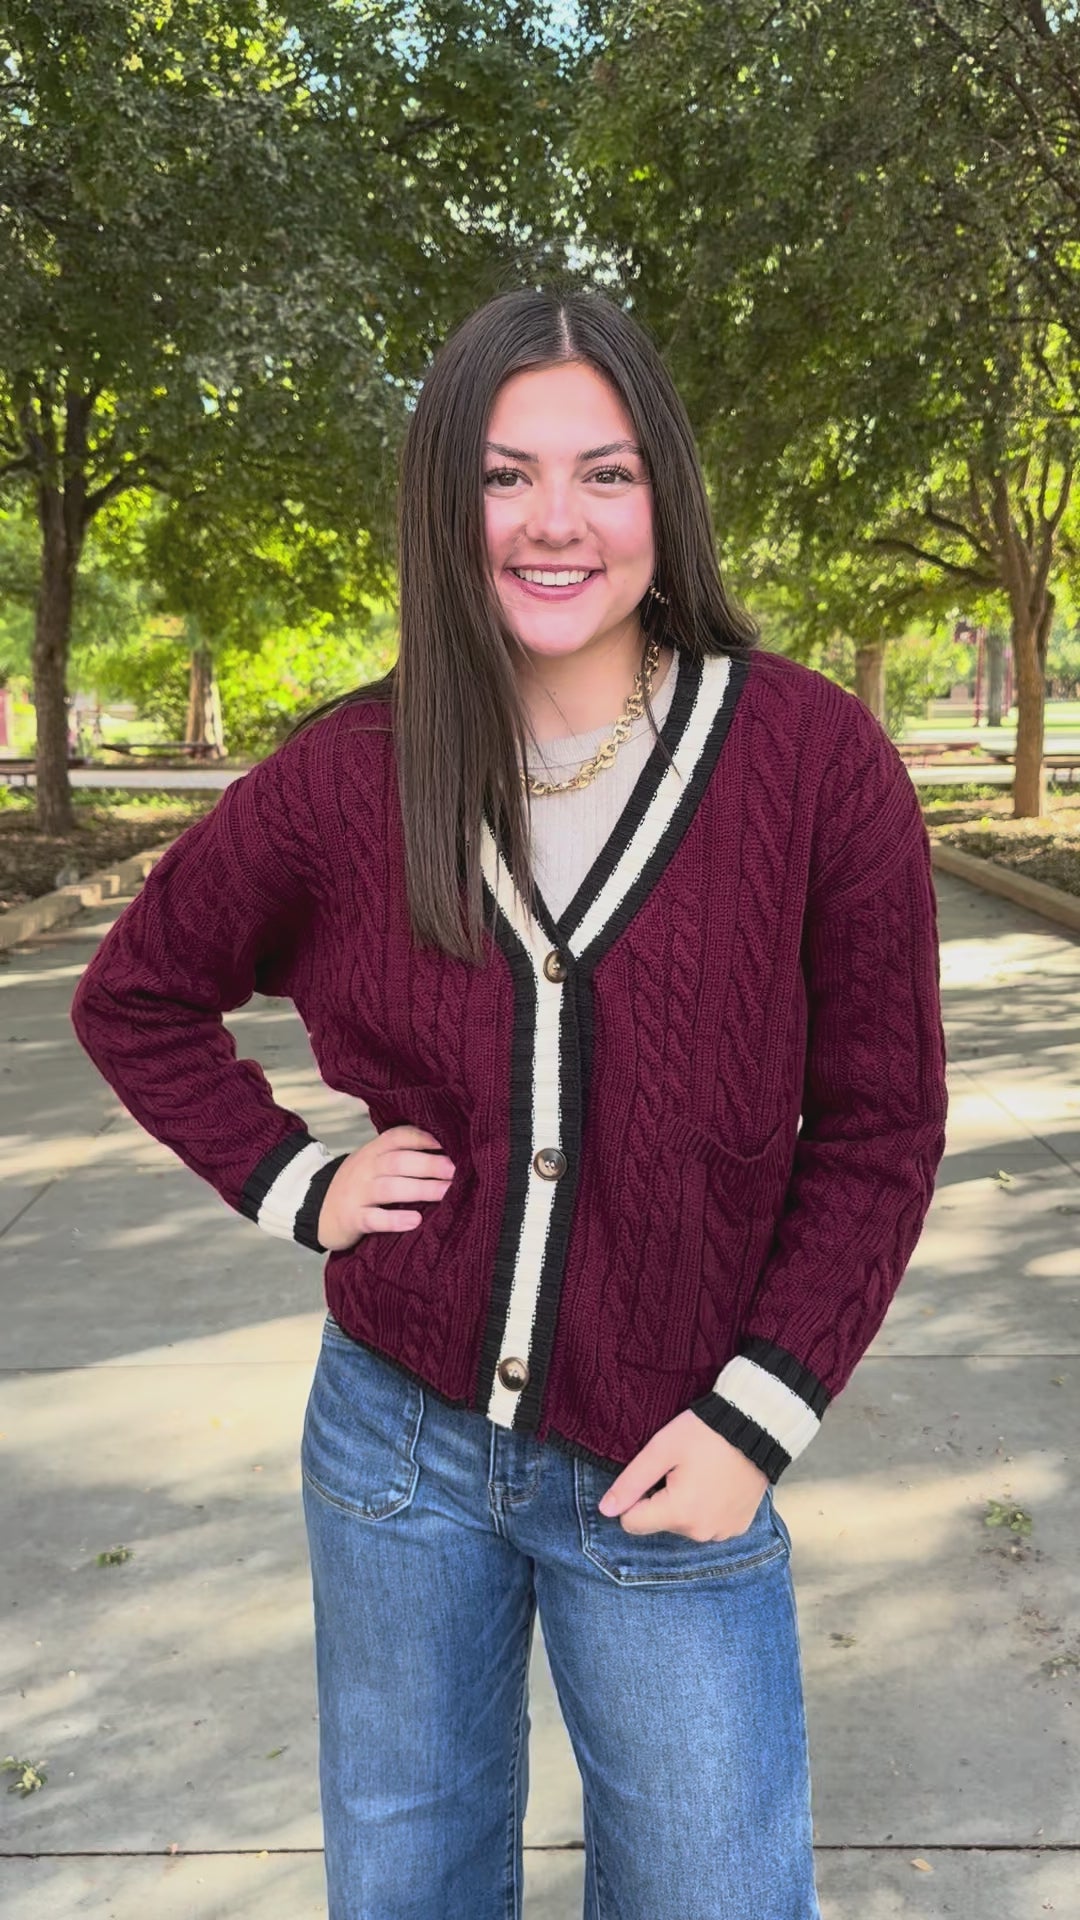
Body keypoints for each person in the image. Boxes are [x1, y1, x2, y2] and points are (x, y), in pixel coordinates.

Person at [70, 282, 949, 1920]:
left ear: (663, 496)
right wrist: (297, 1184)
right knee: (407, 1883)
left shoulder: (814, 765)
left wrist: (764, 1412)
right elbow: (135, 994)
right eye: (503, 474)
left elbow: (885, 1129)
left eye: (604, 473)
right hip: (393, 1450)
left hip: (675, 1460)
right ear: (444, 502)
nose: (557, 522)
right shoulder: (351, 771)